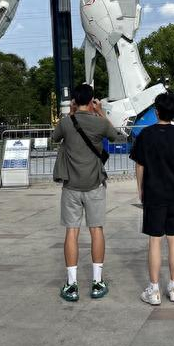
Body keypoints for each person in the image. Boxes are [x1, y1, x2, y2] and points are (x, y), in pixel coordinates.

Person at [130, 92, 174, 306]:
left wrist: (140, 189)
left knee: (155, 240)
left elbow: (139, 165)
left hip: (153, 192)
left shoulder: (146, 134)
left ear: (156, 111)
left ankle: (154, 289)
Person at [52, 83, 118, 302]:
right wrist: (99, 111)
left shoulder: (66, 123)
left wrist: (71, 113)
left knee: (72, 231)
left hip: (71, 186)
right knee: (96, 230)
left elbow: (55, 137)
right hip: (95, 185)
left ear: (74, 101)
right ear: (91, 101)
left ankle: (72, 284)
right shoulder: (99, 123)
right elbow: (116, 135)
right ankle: (97, 281)